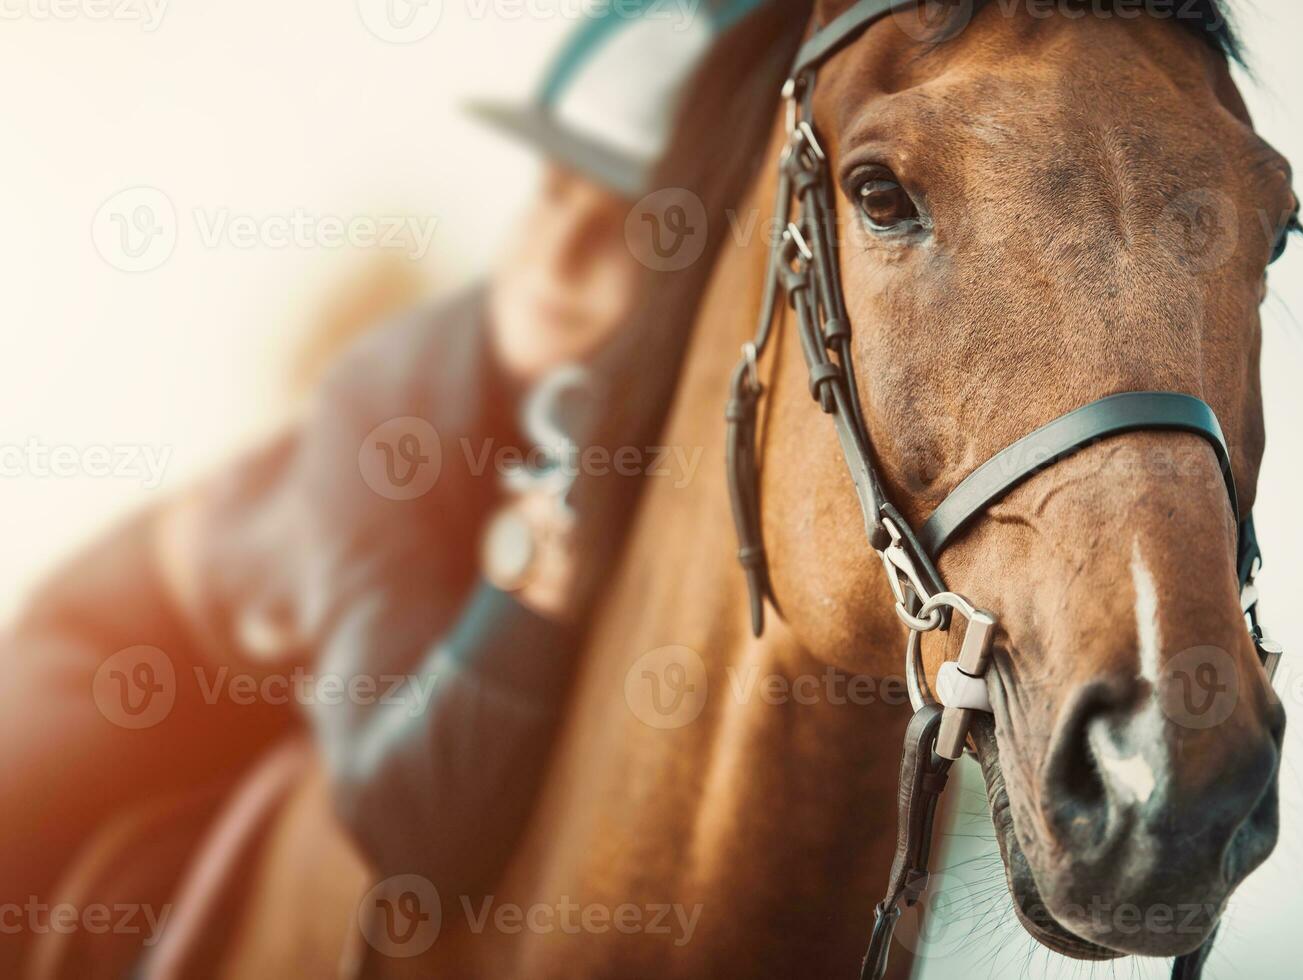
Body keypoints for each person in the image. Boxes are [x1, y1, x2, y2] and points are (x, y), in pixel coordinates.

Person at [0, 2, 769, 975]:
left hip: (302, 706)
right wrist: (535, 576)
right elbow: (415, 830)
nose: (552, 253)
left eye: (622, 223)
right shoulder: (388, 394)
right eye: (552, 189)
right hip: (134, 654)